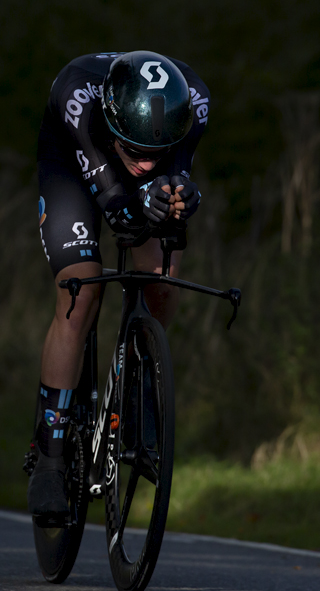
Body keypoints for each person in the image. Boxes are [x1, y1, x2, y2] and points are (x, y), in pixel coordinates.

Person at [27, 50, 209, 518]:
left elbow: (175, 177)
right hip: (74, 164)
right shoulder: (80, 105)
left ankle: (139, 385)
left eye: (156, 154)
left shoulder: (194, 104)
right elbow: (116, 210)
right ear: (112, 128)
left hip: (138, 144)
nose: (147, 166)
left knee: (163, 279)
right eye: (136, 153)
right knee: (81, 291)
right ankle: (49, 455)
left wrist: (181, 198)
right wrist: (137, 207)